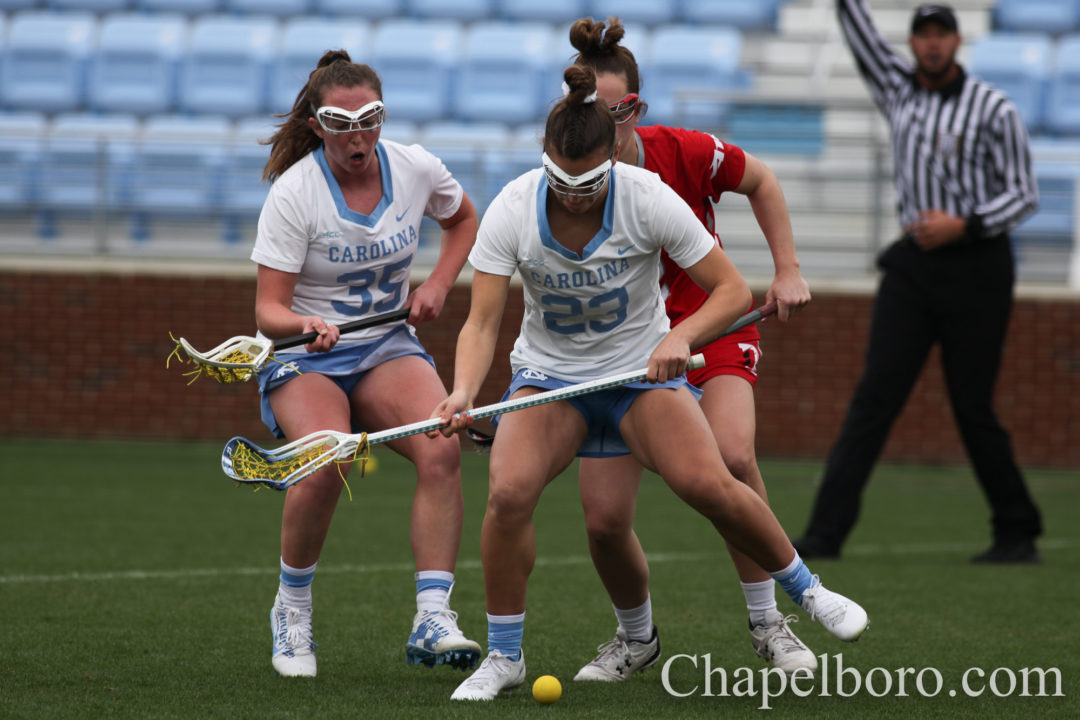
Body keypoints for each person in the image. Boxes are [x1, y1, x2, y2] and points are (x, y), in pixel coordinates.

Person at [431, 65, 869, 702]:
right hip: (551, 379)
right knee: (508, 493)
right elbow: (480, 322)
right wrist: (464, 392)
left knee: (710, 481)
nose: (574, 196)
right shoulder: (512, 207)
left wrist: (679, 338)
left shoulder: (647, 195)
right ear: (543, 155)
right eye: (561, 180)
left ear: (613, 156)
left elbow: (732, 291)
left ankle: (807, 591)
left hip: (638, 376)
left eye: (589, 182)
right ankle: (504, 656)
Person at [565, 17, 818, 680]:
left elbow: (762, 181)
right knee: (603, 520)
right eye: (592, 111)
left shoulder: (685, 151)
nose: (608, 126)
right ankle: (636, 639)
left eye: (620, 111)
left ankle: (769, 622)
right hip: (623, 351)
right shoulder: (559, 183)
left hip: (713, 322)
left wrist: (787, 269)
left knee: (732, 458)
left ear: (638, 108)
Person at [249, 50, 482, 677]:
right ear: (318, 125)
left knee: (442, 447)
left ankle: (433, 616)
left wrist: (438, 283)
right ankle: (292, 610)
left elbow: (463, 219)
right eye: (341, 123)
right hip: (307, 357)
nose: (358, 136)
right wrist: (304, 324)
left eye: (369, 120)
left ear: (383, 116)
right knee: (328, 463)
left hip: (386, 345)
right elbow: (268, 309)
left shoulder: (414, 168)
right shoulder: (295, 193)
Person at [793, 2, 1043, 564]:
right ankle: (824, 534)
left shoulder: (994, 108)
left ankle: (1017, 530)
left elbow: (1024, 194)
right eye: (923, 34)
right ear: (912, 44)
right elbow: (862, 37)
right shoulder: (898, 88)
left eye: (941, 34)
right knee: (874, 397)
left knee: (972, 404)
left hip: (978, 266)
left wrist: (966, 224)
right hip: (914, 267)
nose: (932, 43)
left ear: (957, 42)